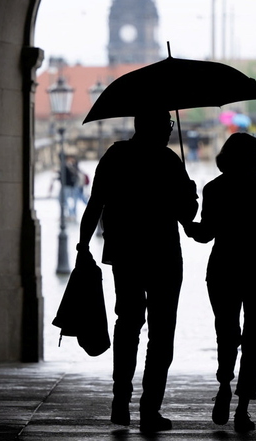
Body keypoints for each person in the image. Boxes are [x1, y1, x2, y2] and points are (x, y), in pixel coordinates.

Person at [76, 109, 199, 433]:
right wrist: (192, 194)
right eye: (168, 125)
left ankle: (121, 400)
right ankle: (149, 409)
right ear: (160, 128)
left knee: (127, 323)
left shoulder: (115, 155)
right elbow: (187, 218)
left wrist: (82, 245)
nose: (171, 130)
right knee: (161, 334)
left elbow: (95, 203)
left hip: (125, 252)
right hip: (163, 255)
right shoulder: (169, 161)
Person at [184, 132, 256, 433]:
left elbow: (205, 234)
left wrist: (187, 223)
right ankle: (243, 407)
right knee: (255, 338)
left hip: (224, 268)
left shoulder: (214, 189)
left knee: (226, 331)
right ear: (252, 158)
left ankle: (223, 384)